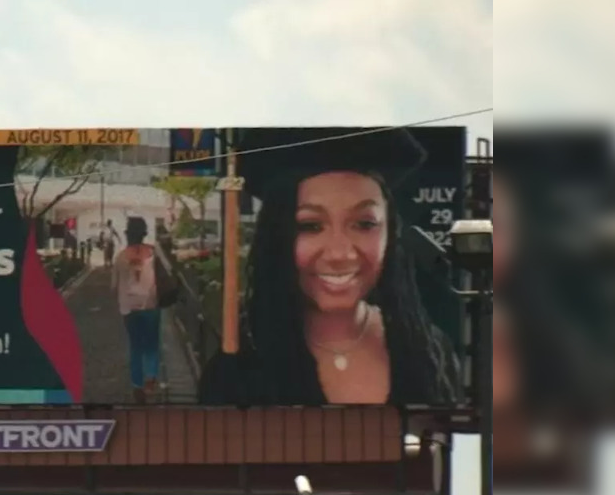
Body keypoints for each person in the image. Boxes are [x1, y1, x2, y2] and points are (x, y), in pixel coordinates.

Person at [198, 127, 461, 406]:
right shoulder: (239, 370)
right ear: (277, 237)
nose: (340, 253)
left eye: (364, 224)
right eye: (310, 226)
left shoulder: (428, 351)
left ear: (390, 234)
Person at [112, 216, 163, 403]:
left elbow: (113, 285)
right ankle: (150, 381)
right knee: (151, 345)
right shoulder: (153, 253)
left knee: (136, 346)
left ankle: (137, 385)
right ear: (144, 234)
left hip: (128, 308)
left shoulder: (120, 257)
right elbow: (167, 273)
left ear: (127, 234)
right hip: (150, 303)